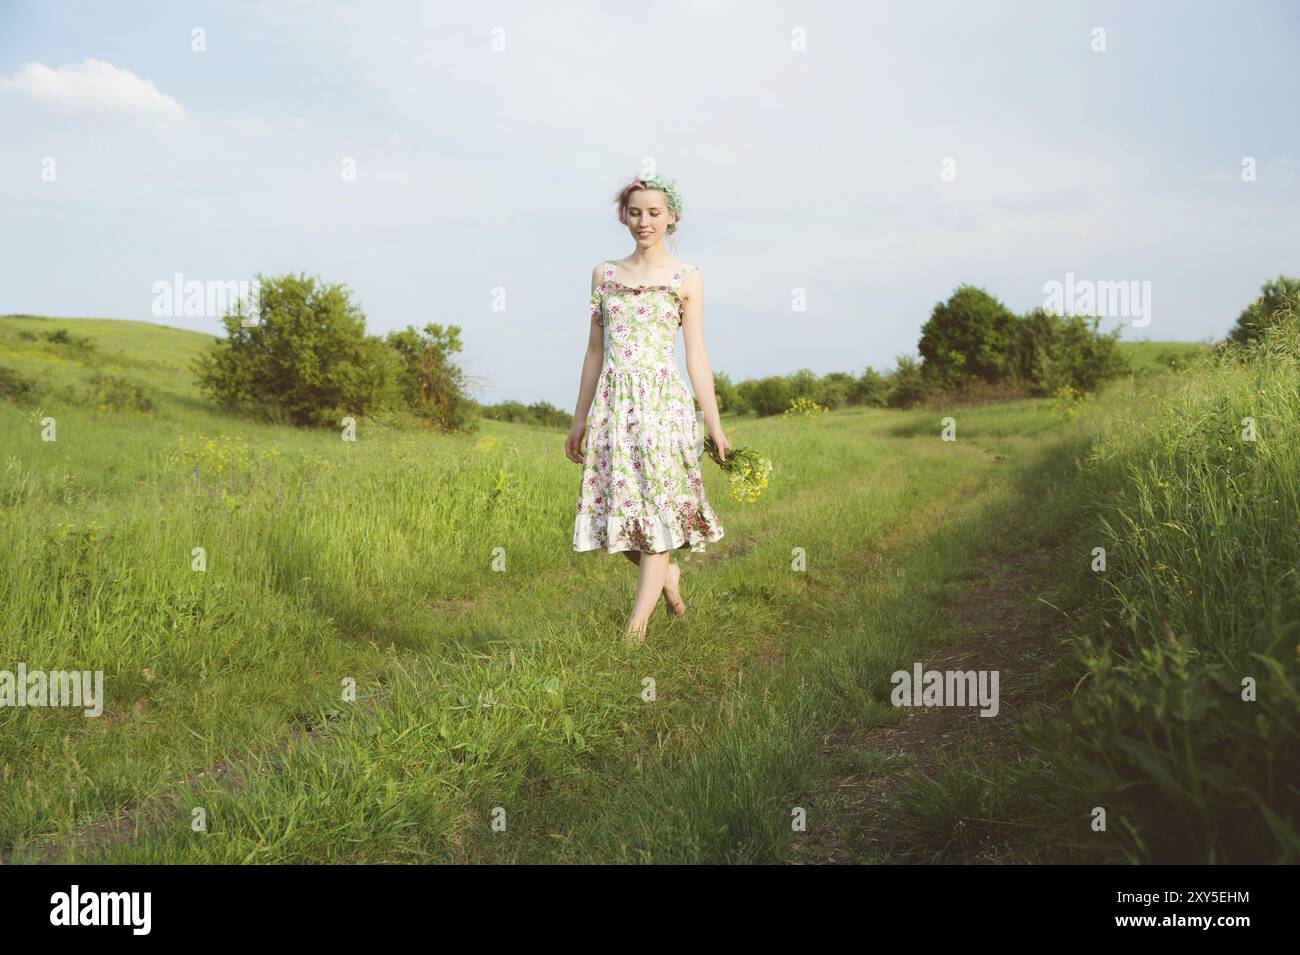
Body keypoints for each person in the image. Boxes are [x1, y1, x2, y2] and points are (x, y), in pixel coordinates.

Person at [566, 175, 729, 645]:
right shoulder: (605, 275)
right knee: (619, 514)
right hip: (614, 408)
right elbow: (594, 351)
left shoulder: (687, 278)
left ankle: (633, 634)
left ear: (671, 217)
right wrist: (579, 419)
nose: (644, 221)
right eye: (635, 212)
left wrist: (713, 424)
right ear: (624, 216)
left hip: (665, 408)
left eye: (654, 213)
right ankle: (667, 577)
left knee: (657, 513)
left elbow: (696, 355)